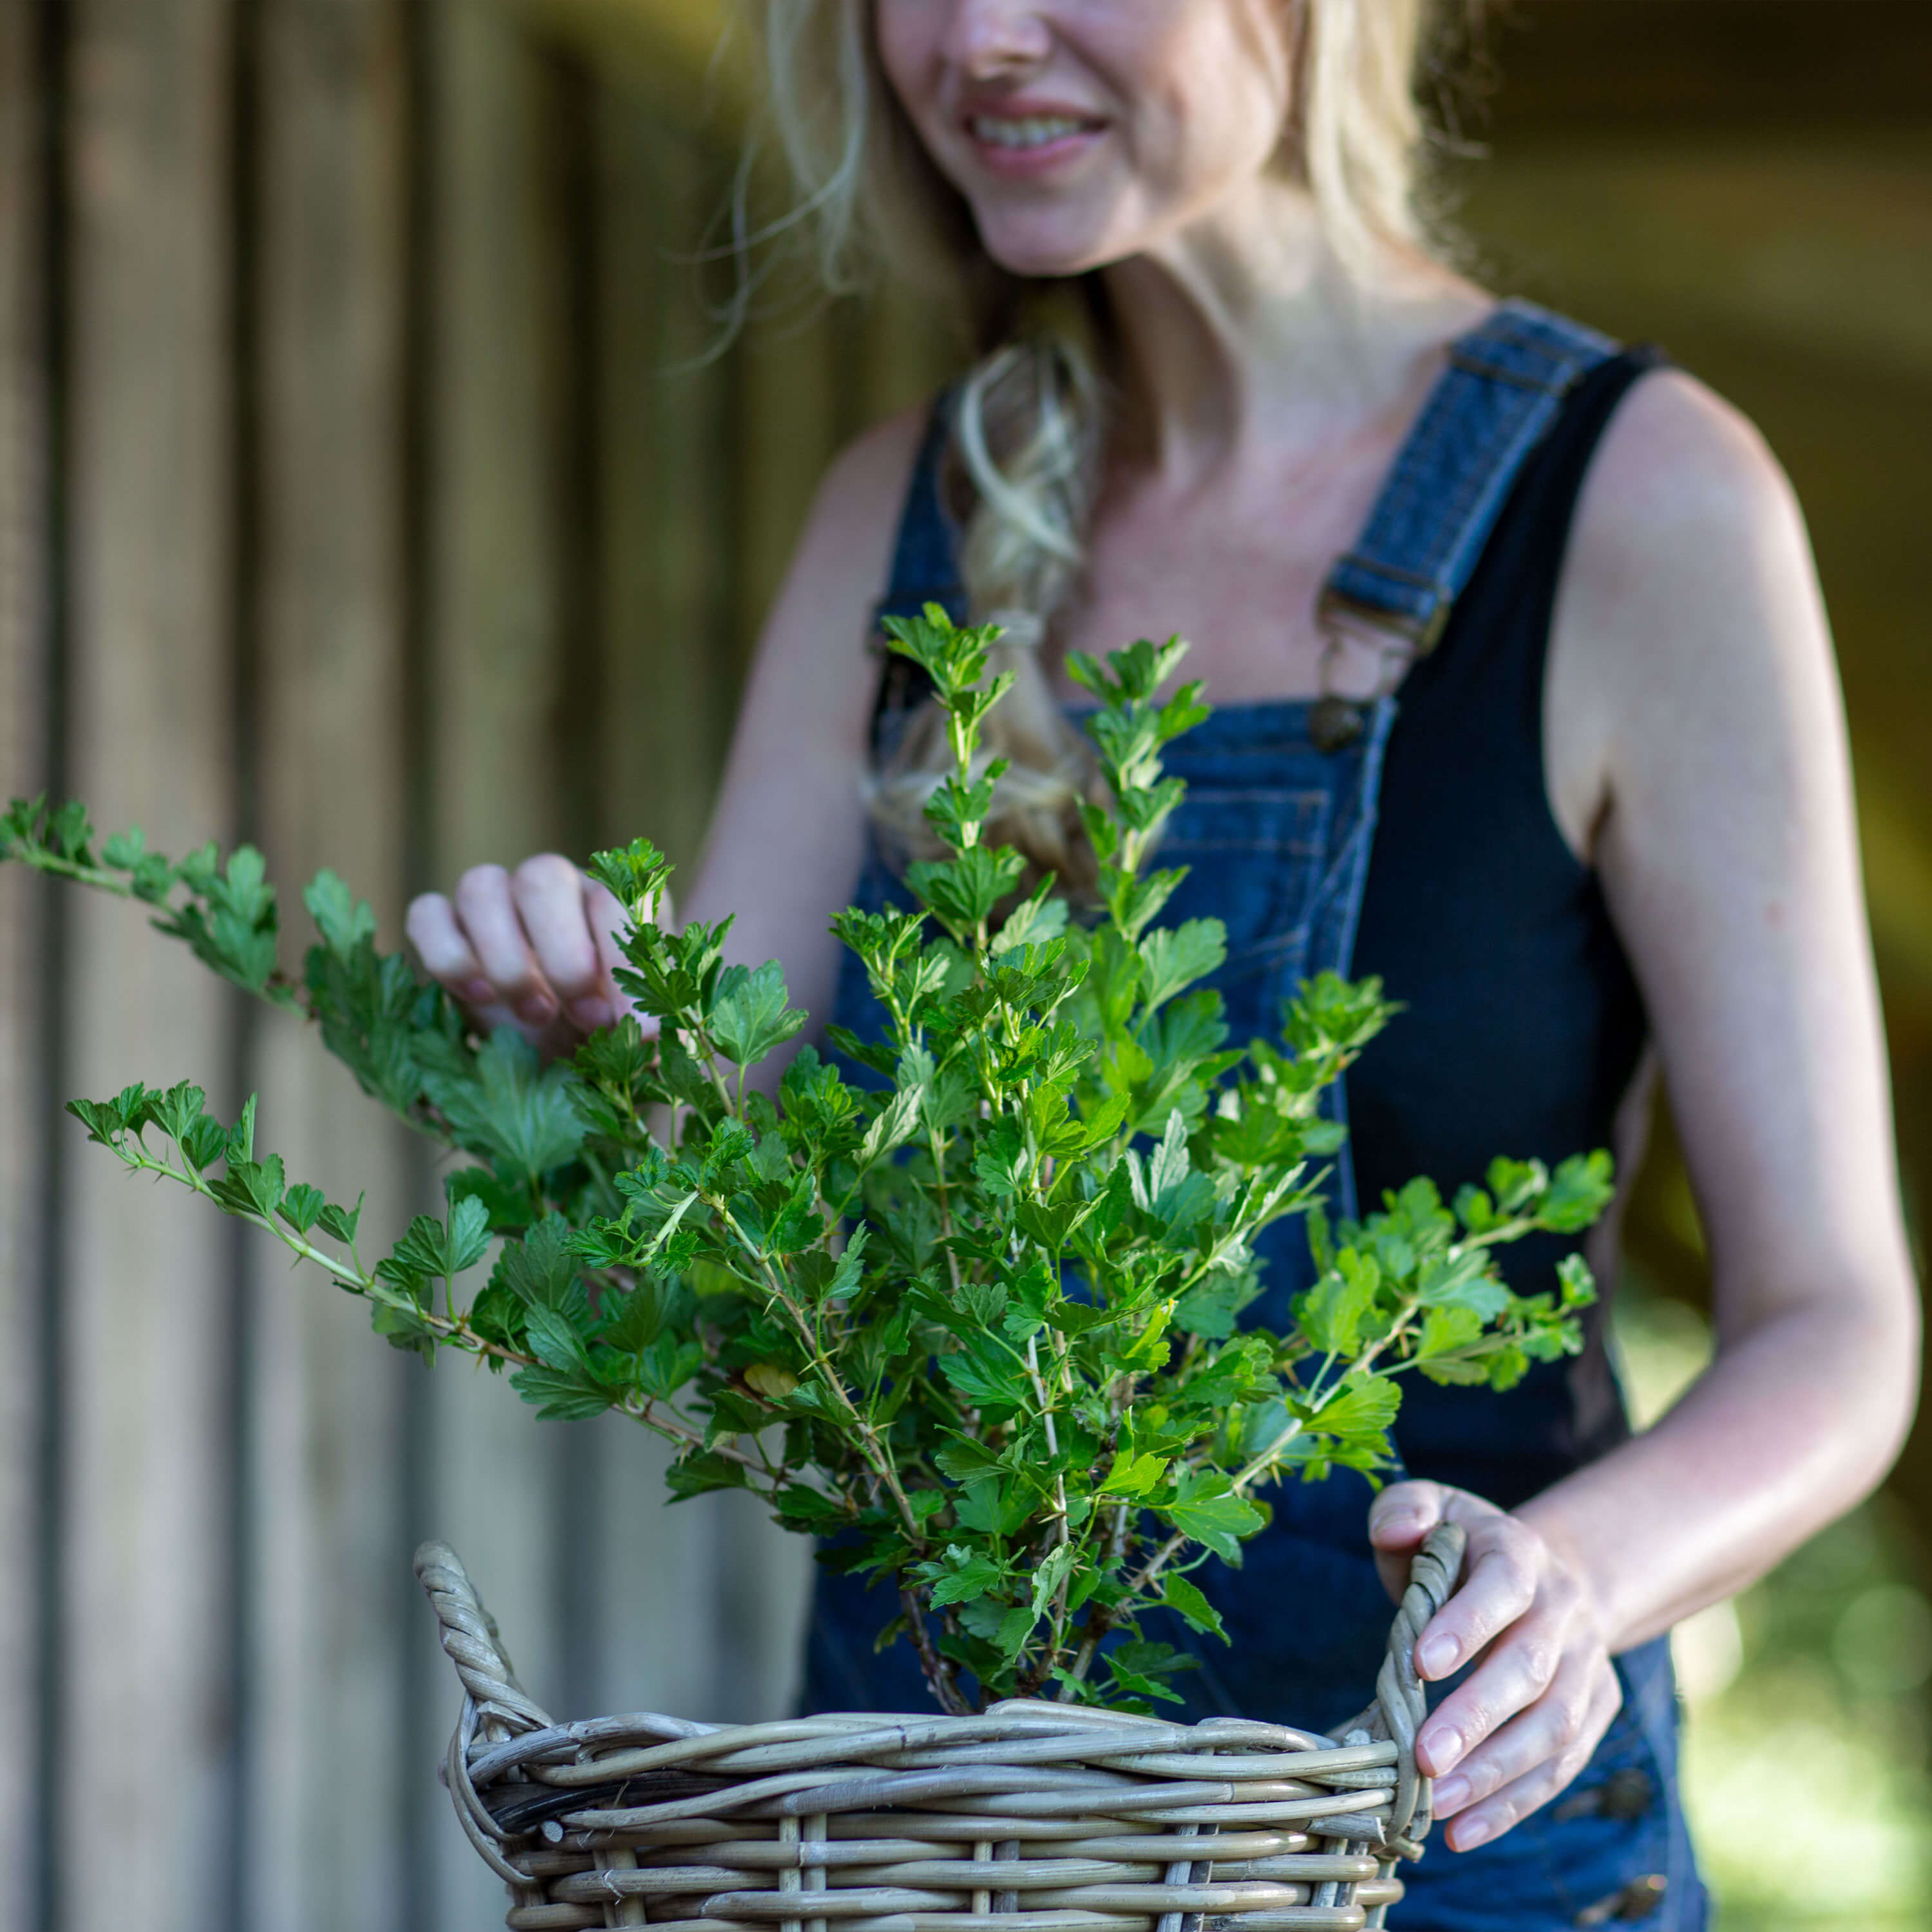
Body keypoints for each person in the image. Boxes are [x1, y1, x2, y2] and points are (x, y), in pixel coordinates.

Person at [403, 2, 1920, 1924]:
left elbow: (1834, 1329)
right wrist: (594, 1049)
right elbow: (730, 1213)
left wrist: (1579, 1583)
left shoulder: (1643, 506)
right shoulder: (906, 518)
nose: (968, 42)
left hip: (1439, 1837)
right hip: (925, 1847)